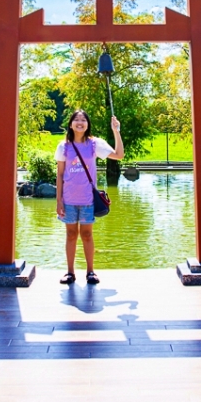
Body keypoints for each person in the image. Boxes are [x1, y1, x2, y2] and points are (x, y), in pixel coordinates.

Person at [55, 109, 123, 284]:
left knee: (86, 235)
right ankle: (70, 272)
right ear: (71, 124)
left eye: (83, 119)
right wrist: (58, 201)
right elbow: (60, 174)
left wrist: (116, 131)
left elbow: (119, 155)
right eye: (76, 119)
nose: (80, 122)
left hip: (87, 199)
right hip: (69, 199)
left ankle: (90, 272)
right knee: (70, 235)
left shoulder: (94, 144)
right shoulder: (64, 146)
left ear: (87, 124)